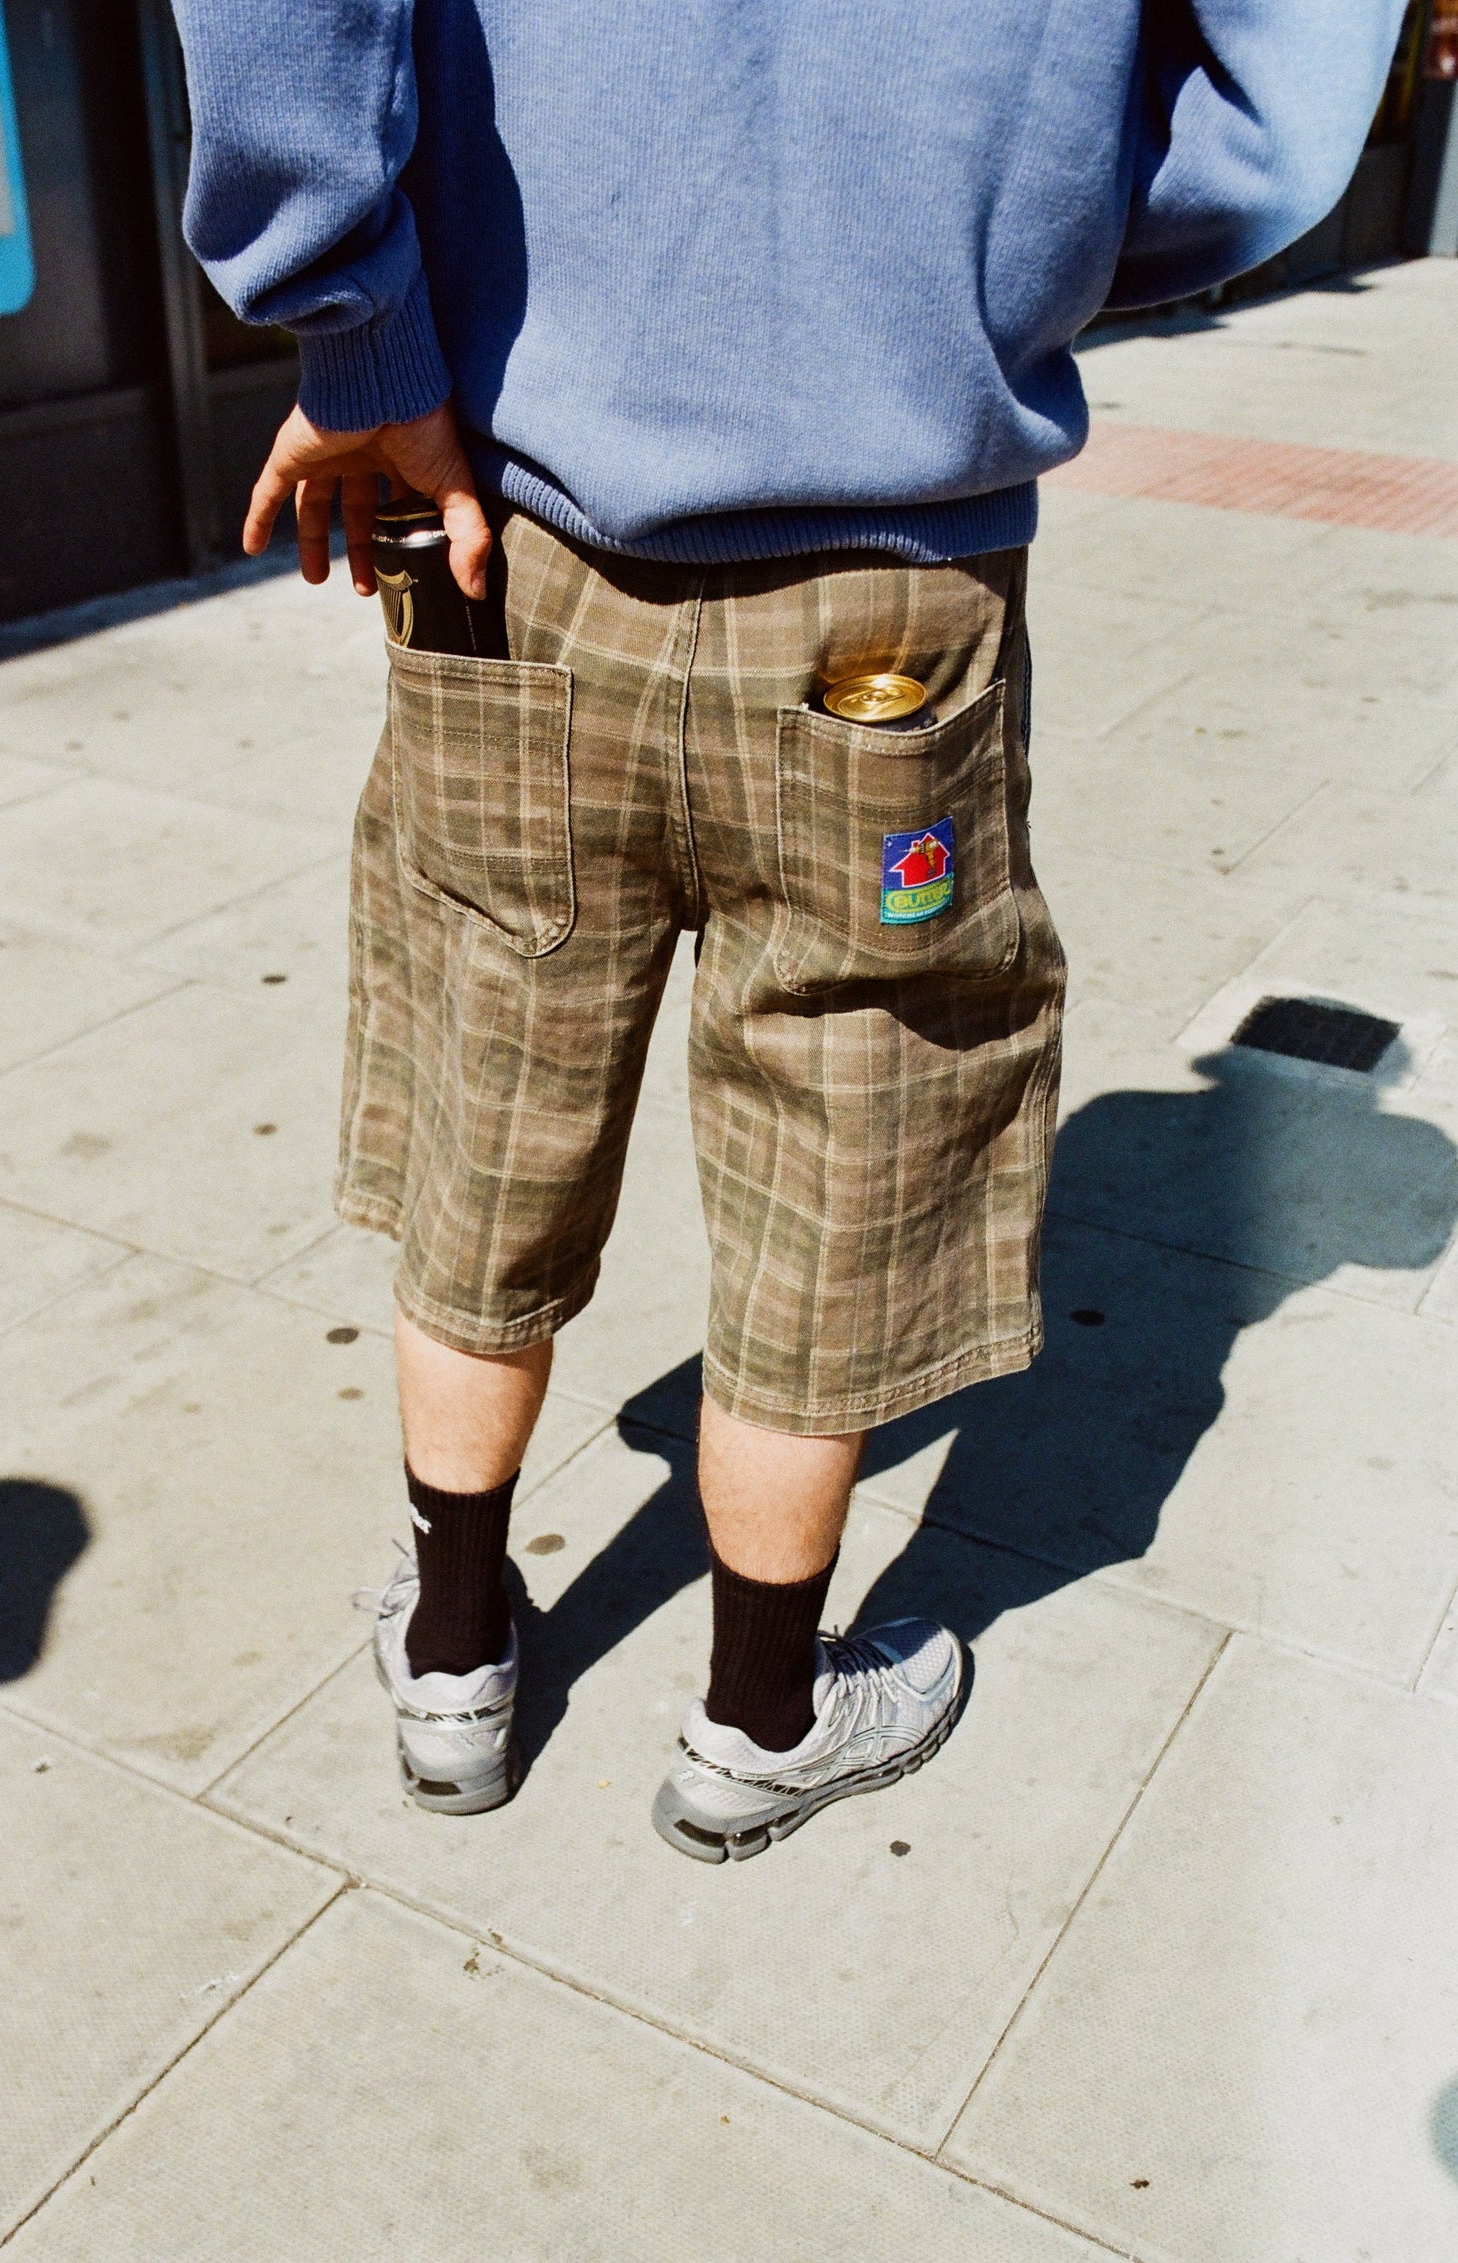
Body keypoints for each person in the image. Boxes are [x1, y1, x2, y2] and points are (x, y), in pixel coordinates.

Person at [171, 0, 1402, 1862]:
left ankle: (454, 1660)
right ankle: (760, 1719)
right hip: (894, 571)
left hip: (524, 534)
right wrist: (975, 270)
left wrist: (365, 338)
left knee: (489, 1085)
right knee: (852, 1127)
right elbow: (1287, 128)